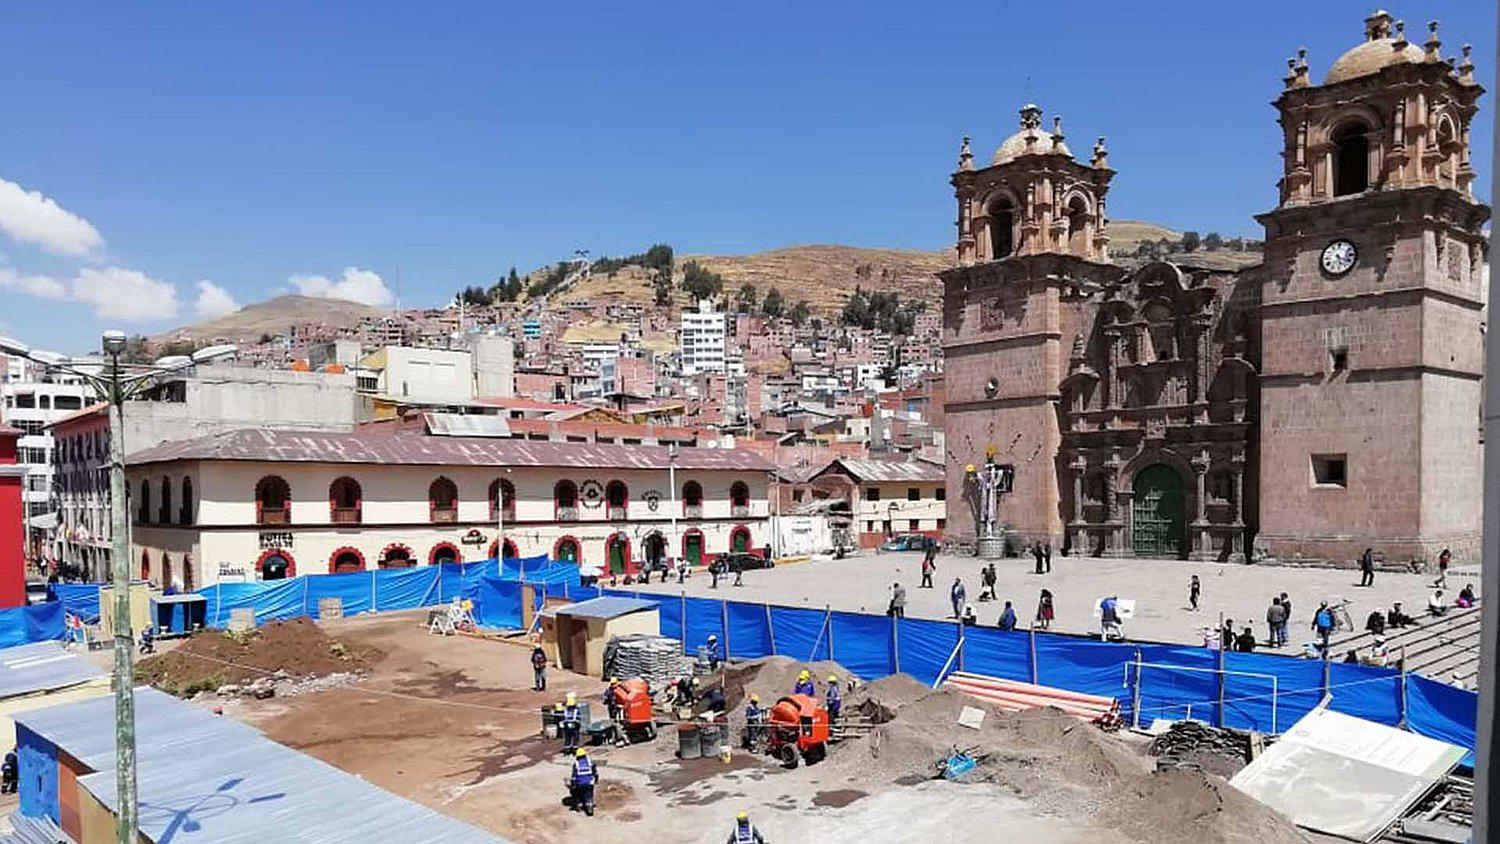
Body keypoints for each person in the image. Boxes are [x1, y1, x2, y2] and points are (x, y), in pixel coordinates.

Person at [568, 747, 597, 816]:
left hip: (580, 783)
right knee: (589, 795)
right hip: (589, 783)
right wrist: (595, 779)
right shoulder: (590, 762)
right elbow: (595, 773)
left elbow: (574, 777)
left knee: (578, 794)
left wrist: (573, 784)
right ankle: (589, 808)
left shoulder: (576, 764)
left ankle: (579, 806)